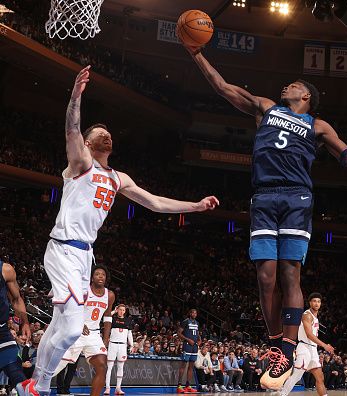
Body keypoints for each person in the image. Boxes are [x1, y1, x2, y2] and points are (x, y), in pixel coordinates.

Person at [186, 47, 347, 390]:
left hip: (296, 196)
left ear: (306, 95)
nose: (285, 88)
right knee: (265, 276)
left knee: (289, 273)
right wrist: (195, 54)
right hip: (264, 195)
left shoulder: (318, 125)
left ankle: (290, 347)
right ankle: (277, 344)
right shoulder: (266, 107)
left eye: (292, 85)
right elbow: (223, 87)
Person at [16, 65, 219, 396]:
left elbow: (154, 202)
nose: (105, 134)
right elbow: (71, 129)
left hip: (84, 256)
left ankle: (32, 385)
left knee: (58, 325)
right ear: (87, 143)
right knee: (68, 328)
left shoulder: (118, 178)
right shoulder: (81, 163)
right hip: (63, 248)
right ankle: (37, 385)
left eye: (108, 132)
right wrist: (75, 98)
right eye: (98, 132)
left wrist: (194, 206)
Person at [52, 265, 115, 396]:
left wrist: (106, 338)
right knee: (56, 367)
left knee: (102, 366)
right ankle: (31, 385)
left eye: (103, 274)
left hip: (94, 334)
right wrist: (80, 323)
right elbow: (71, 308)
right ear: (92, 278)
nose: (100, 276)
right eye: (97, 274)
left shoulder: (109, 295)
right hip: (75, 331)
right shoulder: (84, 291)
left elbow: (108, 316)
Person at [280, 293, 334, 396]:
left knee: (320, 377)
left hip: (312, 349)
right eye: (314, 301)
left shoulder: (315, 317)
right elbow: (309, 335)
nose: (317, 303)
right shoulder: (307, 315)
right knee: (297, 376)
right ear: (310, 303)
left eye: (318, 301)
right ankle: (282, 394)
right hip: (304, 347)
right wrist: (325, 345)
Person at [0, 259, 30, 389]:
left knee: (16, 371)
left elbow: (16, 299)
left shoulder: (6, 269)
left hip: (1, 331)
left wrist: (25, 323)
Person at [104, 304, 134, 395]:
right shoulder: (112, 319)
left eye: (123, 310)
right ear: (118, 310)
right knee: (109, 367)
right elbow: (106, 318)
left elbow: (130, 334)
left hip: (122, 346)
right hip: (112, 344)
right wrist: (114, 311)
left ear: (125, 311)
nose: (121, 311)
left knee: (120, 367)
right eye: (120, 309)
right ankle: (107, 388)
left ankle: (118, 388)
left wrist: (132, 345)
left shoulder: (128, 320)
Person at [177, 309, 200, 393]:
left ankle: (188, 386)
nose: (194, 314)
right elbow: (179, 333)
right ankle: (179, 386)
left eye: (195, 313)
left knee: (191, 366)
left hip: (194, 346)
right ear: (190, 313)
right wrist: (187, 339)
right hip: (187, 345)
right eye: (193, 313)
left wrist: (199, 340)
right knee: (183, 365)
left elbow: (197, 333)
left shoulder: (197, 323)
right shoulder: (185, 321)